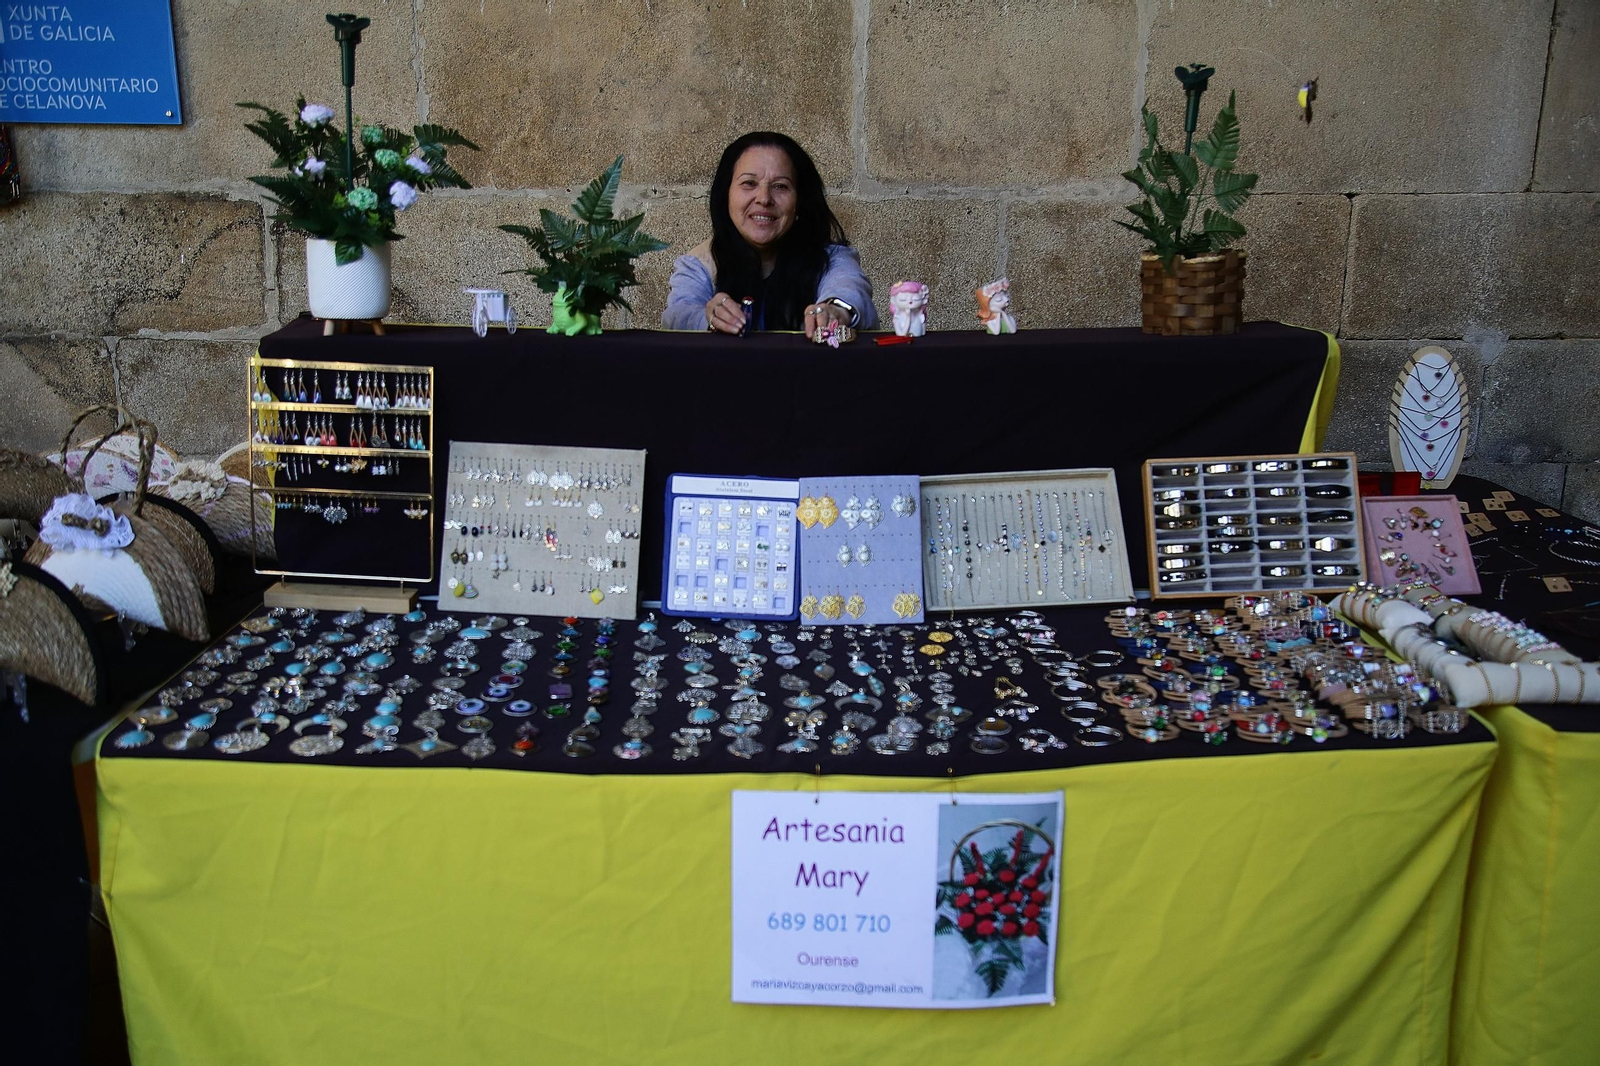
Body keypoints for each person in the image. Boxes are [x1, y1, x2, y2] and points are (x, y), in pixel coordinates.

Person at [662, 131, 877, 335]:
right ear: (725, 195)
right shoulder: (699, 264)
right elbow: (677, 316)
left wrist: (835, 311)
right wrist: (709, 318)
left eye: (780, 186)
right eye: (749, 183)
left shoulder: (833, 259)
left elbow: (850, 289)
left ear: (800, 200)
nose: (764, 198)